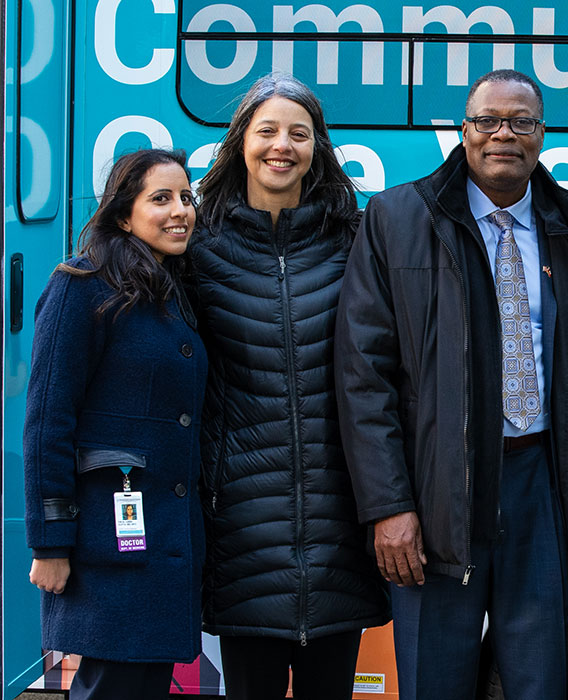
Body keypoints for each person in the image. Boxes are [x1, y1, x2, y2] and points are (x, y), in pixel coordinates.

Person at [334, 69, 568, 700]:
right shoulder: (395, 218)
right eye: (486, 120)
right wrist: (388, 506)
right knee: (433, 679)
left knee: (541, 680)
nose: (503, 135)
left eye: (521, 122)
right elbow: (363, 376)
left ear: (542, 135)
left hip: (542, 485)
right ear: (463, 132)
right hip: (434, 489)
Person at [191, 72, 389, 700]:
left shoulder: (355, 241)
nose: (282, 145)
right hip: (240, 524)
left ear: (317, 148)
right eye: (267, 130)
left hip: (339, 524)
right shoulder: (199, 248)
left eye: (298, 134)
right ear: (240, 142)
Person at [23, 148, 206, 700]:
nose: (181, 211)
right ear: (123, 215)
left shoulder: (173, 291)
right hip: (108, 542)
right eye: (161, 198)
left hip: (162, 544)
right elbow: (46, 423)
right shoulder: (80, 286)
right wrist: (50, 544)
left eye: (186, 197)